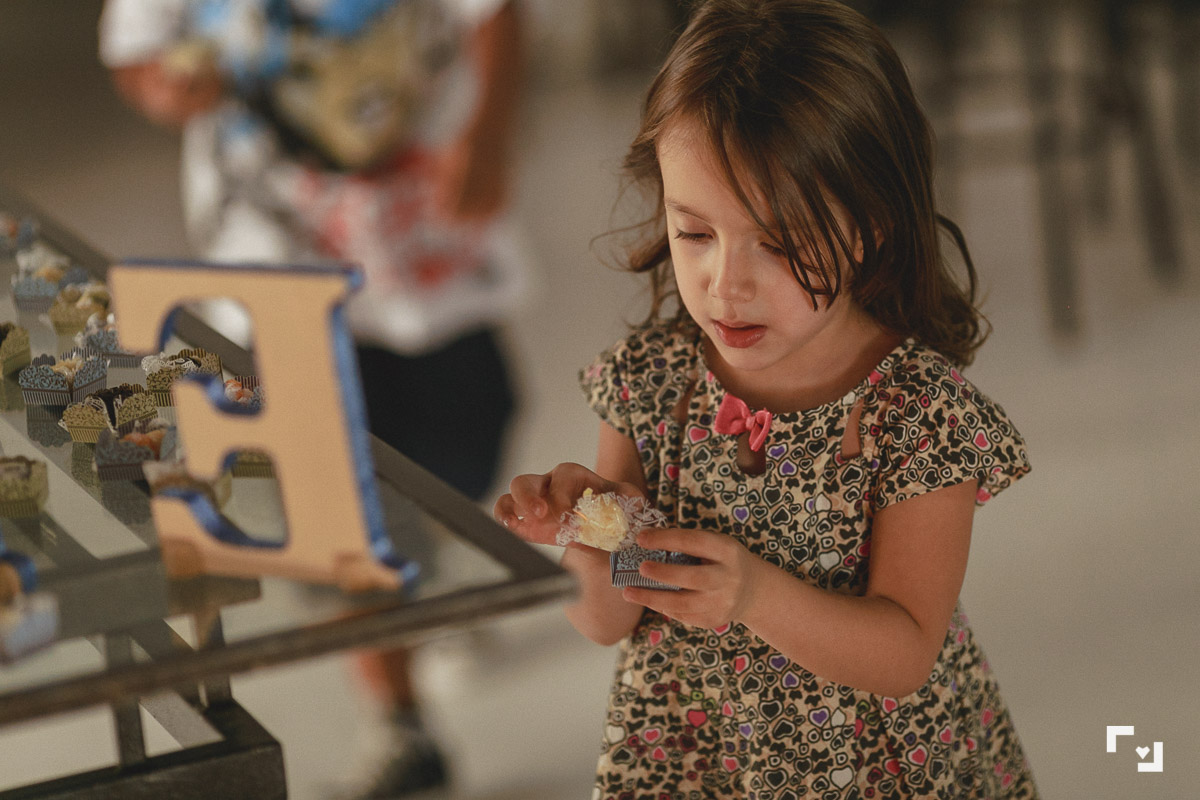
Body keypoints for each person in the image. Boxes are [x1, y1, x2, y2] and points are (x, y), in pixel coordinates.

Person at [493, 1, 1038, 797]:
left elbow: (905, 650)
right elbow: (608, 620)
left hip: (870, 771)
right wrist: (585, 526)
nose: (727, 284)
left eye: (778, 244)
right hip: (700, 759)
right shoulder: (650, 386)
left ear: (872, 224)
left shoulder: (918, 417)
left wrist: (752, 594)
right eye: (694, 234)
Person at [98, 0, 526, 795]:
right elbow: (136, 55)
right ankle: (398, 719)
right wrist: (171, 88)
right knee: (322, 480)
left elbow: (495, 12)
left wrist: (492, 129)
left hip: (424, 223)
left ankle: (426, 577)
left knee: (466, 438)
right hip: (274, 242)